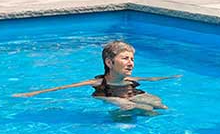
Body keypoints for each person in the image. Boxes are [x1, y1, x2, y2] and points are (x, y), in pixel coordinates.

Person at [14, 40, 173, 112]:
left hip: (130, 92)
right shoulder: (98, 81)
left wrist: (170, 77)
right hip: (107, 94)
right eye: (125, 58)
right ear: (110, 63)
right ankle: (119, 120)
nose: (131, 63)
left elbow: (150, 79)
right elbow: (64, 87)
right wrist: (32, 93)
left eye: (132, 59)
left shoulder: (131, 80)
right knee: (130, 106)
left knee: (158, 106)